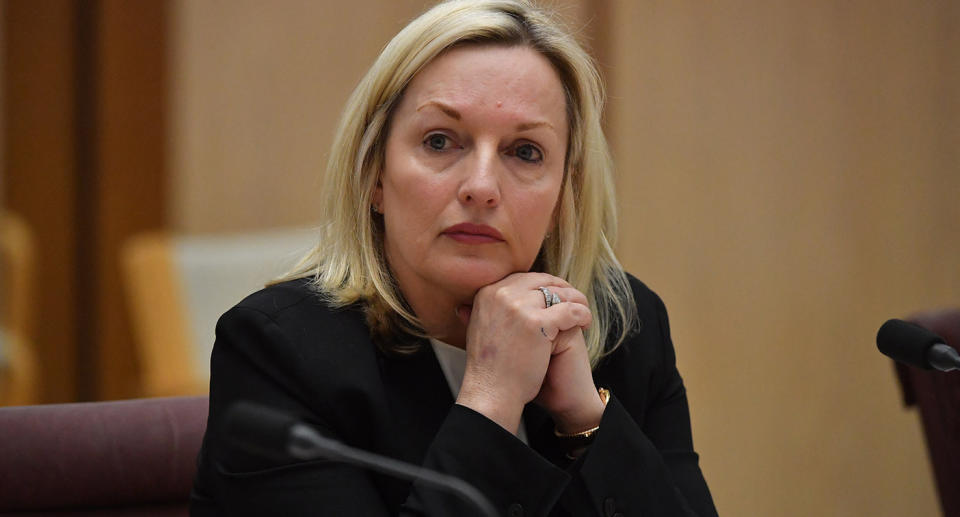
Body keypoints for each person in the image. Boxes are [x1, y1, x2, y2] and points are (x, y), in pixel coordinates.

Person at [190, 0, 718, 515]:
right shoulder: (279, 353)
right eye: (440, 141)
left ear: (564, 197)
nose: (482, 187)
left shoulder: (624, 326)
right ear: (374, 175)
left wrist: (586, 419)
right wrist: (491, 399)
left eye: (525, 152)